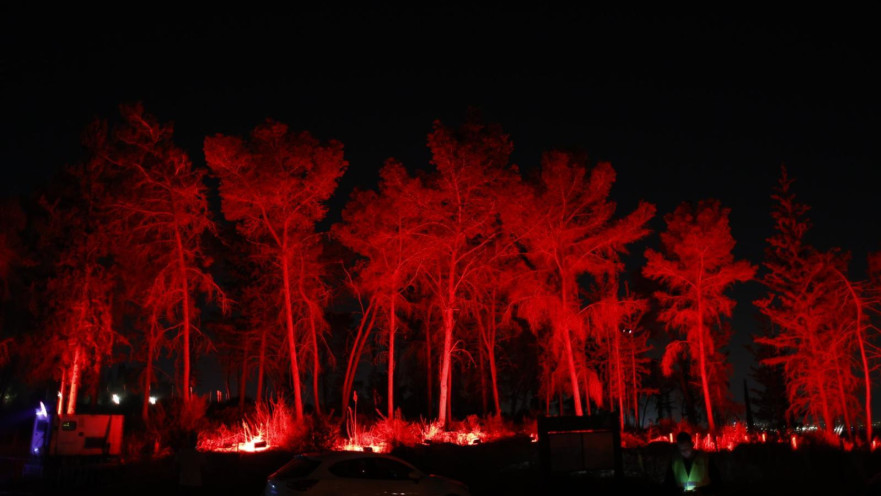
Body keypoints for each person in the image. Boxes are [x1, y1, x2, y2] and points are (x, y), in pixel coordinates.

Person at [174, 431, 208, 495]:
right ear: (196, 442)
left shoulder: (181, 453)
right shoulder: (199, 455)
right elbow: (204, 469)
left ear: (188, 441)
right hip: (196, 484)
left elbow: (175, 468)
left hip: (183, 484)